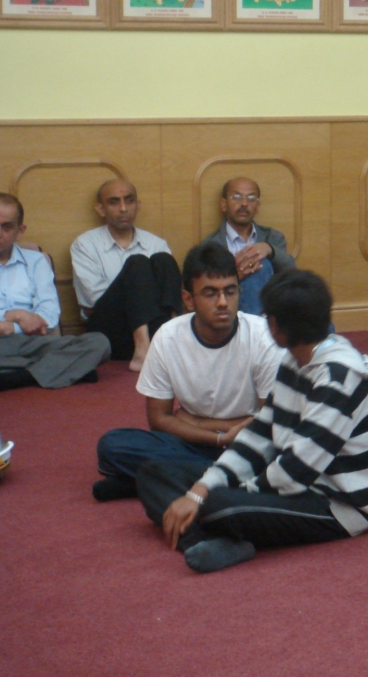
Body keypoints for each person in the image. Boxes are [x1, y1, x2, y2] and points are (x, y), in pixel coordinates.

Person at [135, 269, 368, 574]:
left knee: (217, 504)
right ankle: (216, 540)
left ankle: (208, 533)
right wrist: (201, 487)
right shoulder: (294, 359)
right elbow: (259, 435)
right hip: (284, 478)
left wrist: (209, 496)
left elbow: (294, 472)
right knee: (153, 472)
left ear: (276, 327)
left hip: (336, 504)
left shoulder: (340, 377)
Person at [92, 244, 284, 502]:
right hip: (194, 443)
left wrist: (193, 421)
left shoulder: (262, 338)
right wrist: (219, 437)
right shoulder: (168, 337)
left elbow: (269, 425)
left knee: (277, 454)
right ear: (188, 299)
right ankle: (213, 479)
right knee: (112, 445)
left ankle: (160, 478)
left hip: (248, 445)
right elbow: (159, 420)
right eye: (210, 293)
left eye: (230, 291)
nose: (223, 303)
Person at [0, 193, 110, 393]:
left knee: (98, 343)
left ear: (19, 231)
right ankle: (58, 369)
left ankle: (17, 376)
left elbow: (49, 316)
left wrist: (10, 326)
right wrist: (13, 318)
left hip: (31, 343)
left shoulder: (36, 261)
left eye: (6, 227)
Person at [71, 179, 182, 371]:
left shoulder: (156, 243)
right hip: (110, 332)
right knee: (137, 263)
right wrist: (137, 292)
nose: (123, 208)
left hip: (155, 328)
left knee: (164, 260)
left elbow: (168, 293)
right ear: (101, 209)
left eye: (129, 201)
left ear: (137, 205)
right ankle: (142, 349)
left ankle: (176, 343)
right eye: (114, 202)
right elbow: (93, 300)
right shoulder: (84, 245)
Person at [203, 177, 295, 316]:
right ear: (224, 204)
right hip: (229, 312)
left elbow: (291, 271)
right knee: (259, 266)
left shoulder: (272, 237)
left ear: (257, 206)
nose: (244, 203)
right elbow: (205, 289)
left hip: (272, 310)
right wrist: (235, 277)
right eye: (236, 197)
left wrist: (269, 249)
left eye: (251, 198)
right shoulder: (210, 246)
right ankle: (255, 325)